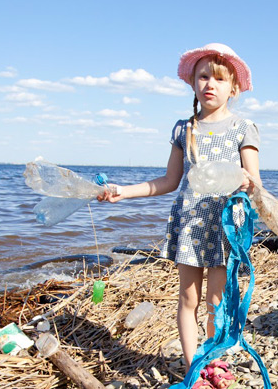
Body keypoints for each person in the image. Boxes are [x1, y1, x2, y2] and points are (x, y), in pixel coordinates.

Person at [98, 43, 261, 368]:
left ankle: (213, 362)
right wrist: (123, 192)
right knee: (188, 299)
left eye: (218, 79)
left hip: (224, 226)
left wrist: (246, 182)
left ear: (234, 88)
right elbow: (169, 182)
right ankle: (192, 368)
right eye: (203, 77)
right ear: (193, 83)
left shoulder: (243, 128)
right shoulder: (183, 129)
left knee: (216, 302)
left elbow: (256, 183)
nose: (209, 85)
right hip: (189, 225)